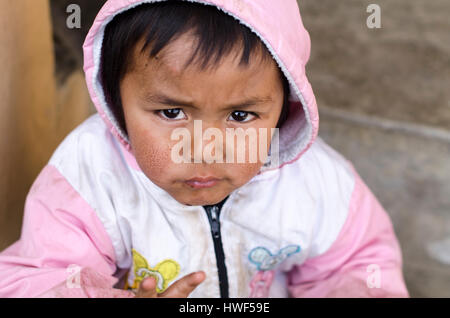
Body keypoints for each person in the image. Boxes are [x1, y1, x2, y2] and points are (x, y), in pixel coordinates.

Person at [0, 0, 409, 298]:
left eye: (241, 116)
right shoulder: (89, 174)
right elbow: (40, 278)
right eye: (173, 111)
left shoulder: (317, 184)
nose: (205, 150)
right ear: (115, 97)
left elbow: (358, 265)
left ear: (284, 107)